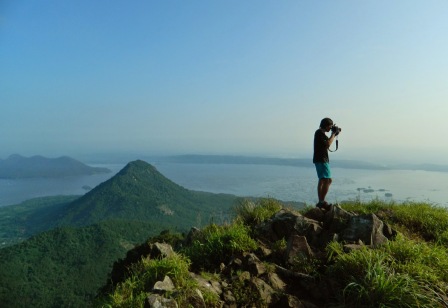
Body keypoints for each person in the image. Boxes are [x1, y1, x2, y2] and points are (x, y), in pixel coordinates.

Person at [313, 117, 339, 211]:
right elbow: (328, 144)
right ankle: (322, 201)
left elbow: (326, 144)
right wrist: (333, 134)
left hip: (319, 159)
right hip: (321, 159)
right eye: (330, 127)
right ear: (327, 125)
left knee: (322, 180)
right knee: (328, 180)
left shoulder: (320, 133)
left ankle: (320, 202)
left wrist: (334, 134)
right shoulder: (319, 132)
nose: (330, 128)